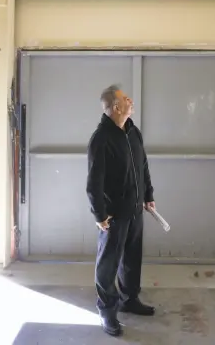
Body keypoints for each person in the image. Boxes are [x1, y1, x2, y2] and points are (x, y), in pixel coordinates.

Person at [86, 84, 156, 337]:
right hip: (113, 215)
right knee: (108, 263)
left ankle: (129, 299)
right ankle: (107, 311)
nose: (131, 100)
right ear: (116, 107)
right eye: (126, 99)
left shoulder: (132, 131)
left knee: (131, 258)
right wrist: (100, 215)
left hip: (136, 210)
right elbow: (94, 182)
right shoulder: (101, 138)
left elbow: (143, 165)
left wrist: (148, 195)